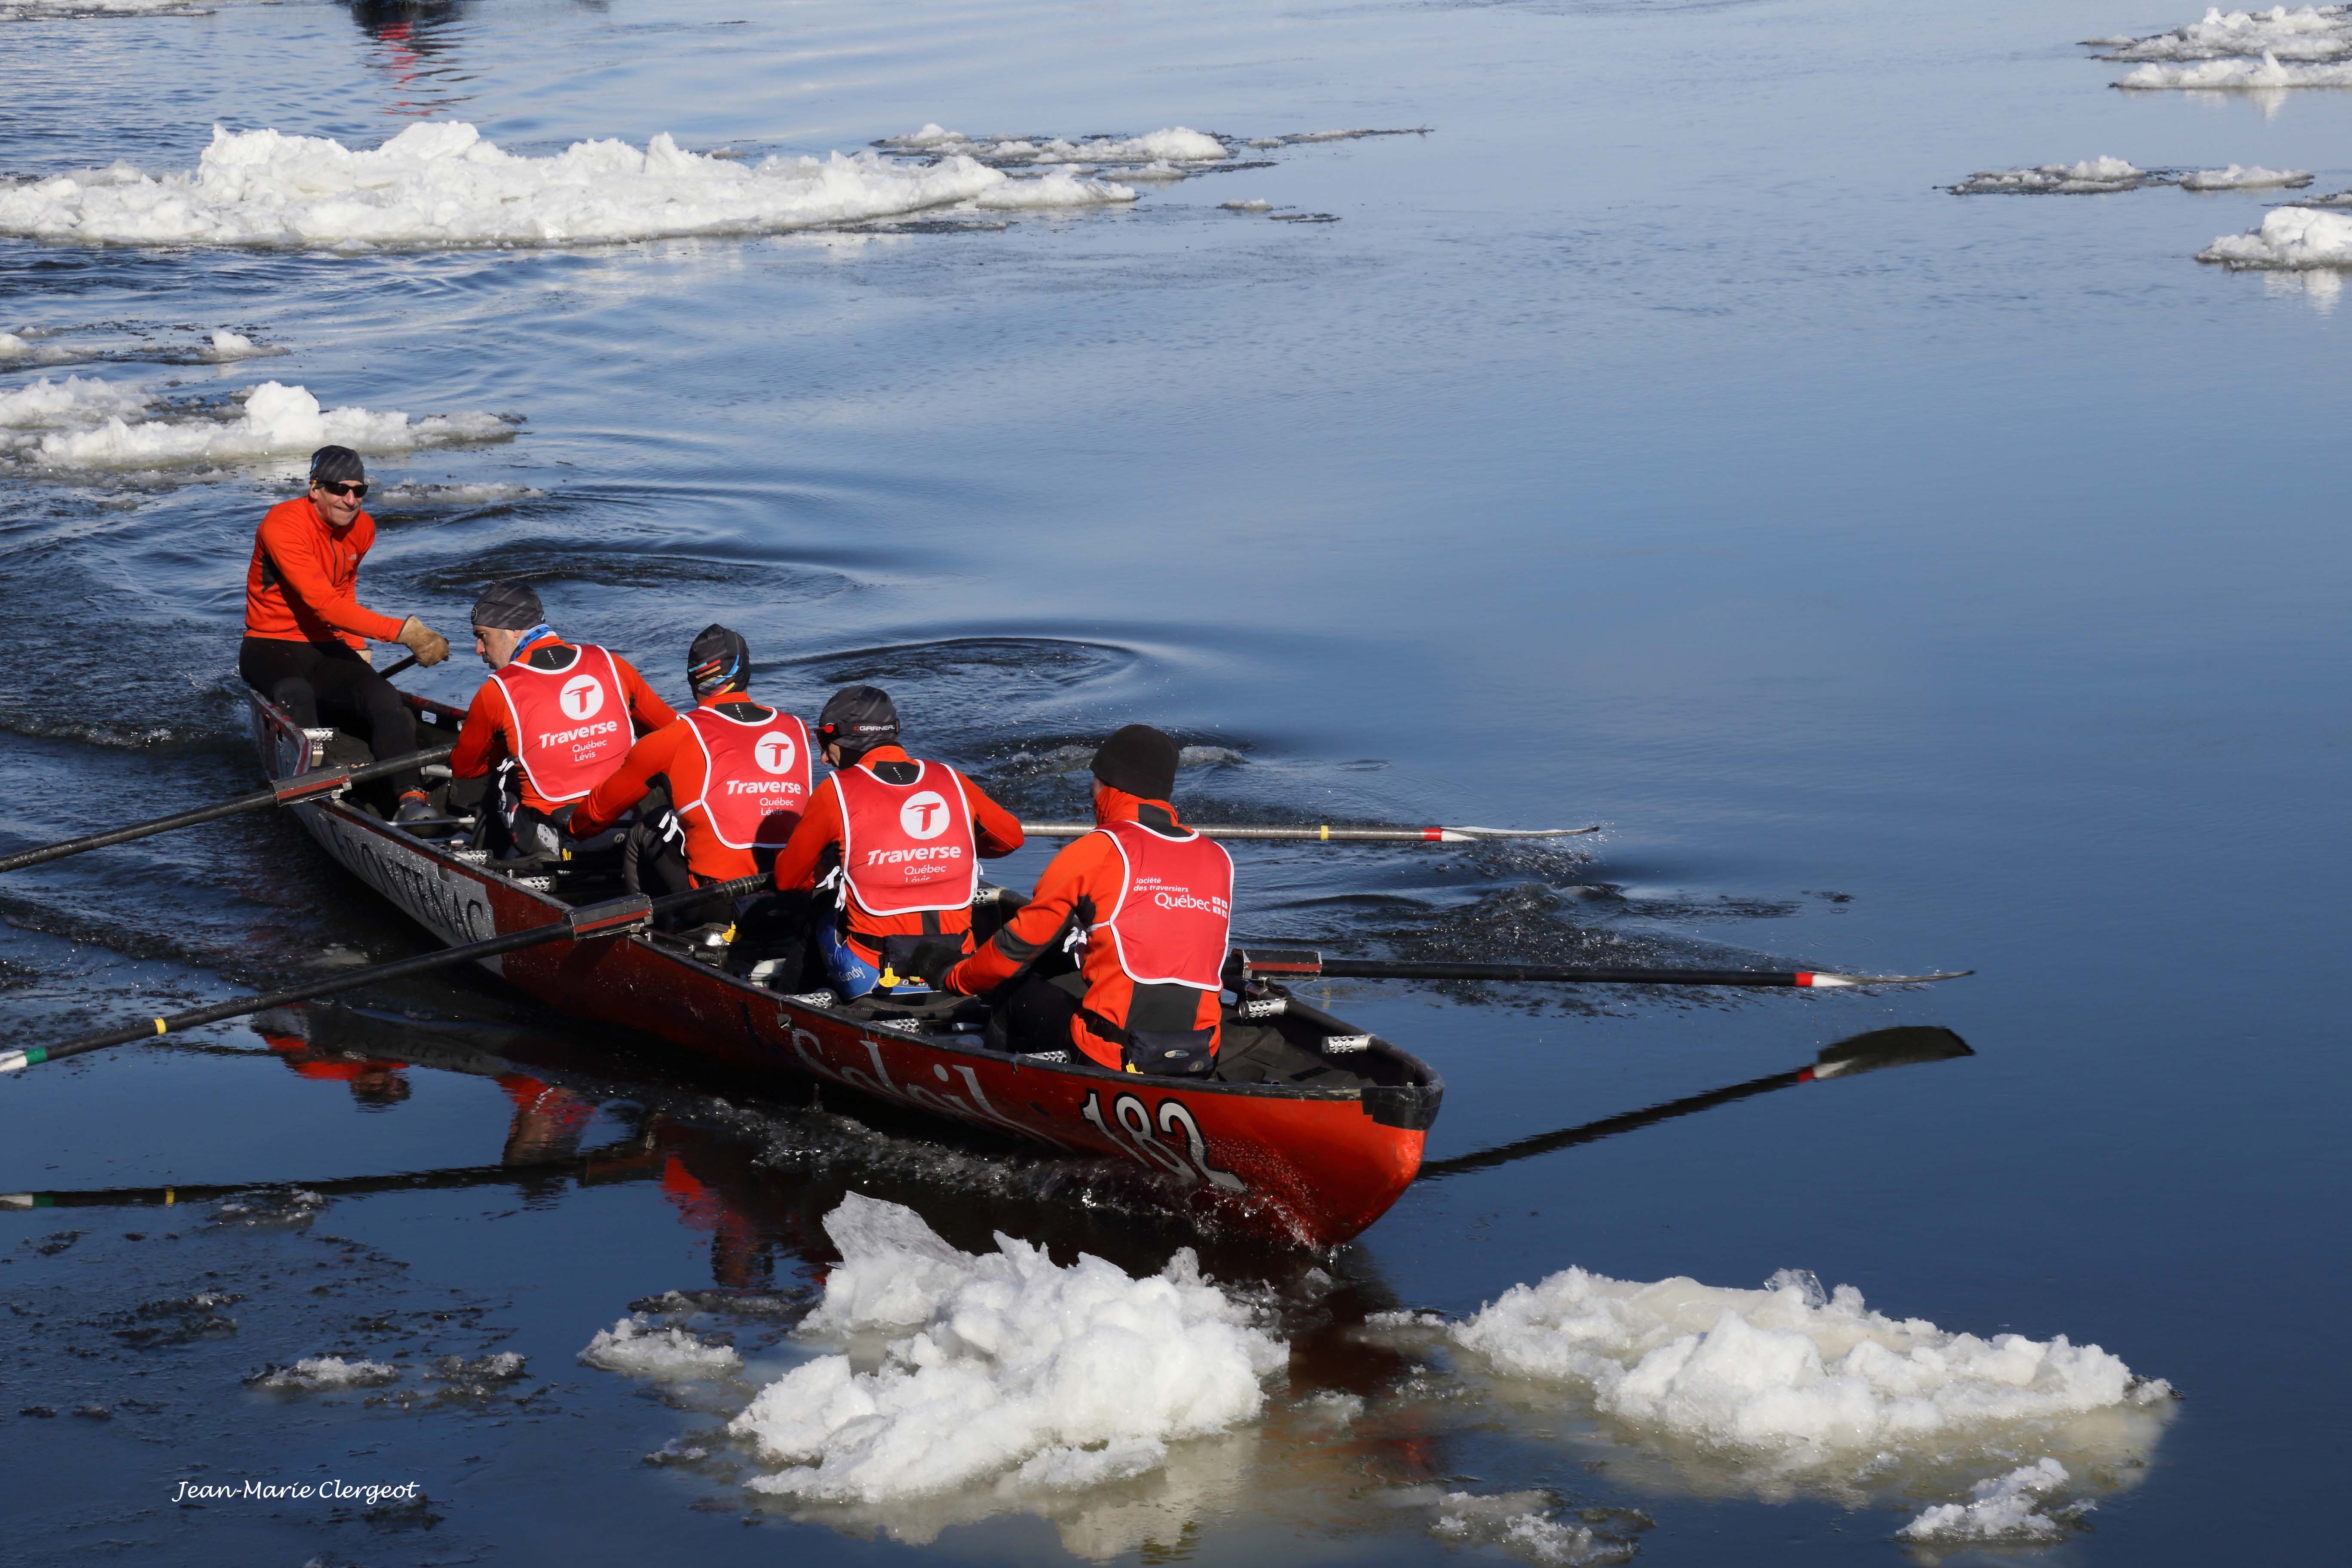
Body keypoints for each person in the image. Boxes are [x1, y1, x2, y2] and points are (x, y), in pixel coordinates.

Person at [938, 725, 1230, 1077]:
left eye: (1094, 781)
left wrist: (954, 977)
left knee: (1011, 986)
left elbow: (1016, 948)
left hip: (1112, 1057)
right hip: (1200, 1053)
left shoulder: (1096, 848)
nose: (1091, 794)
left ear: (1110, 786)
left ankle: (993, 1081)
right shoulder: (1218, 858)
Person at [765, 685, 1023, 998]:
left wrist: (831, 866)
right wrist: (946, 849)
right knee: (977, 903)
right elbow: (1010, 839)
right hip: (957, 965)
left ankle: (787, 1009)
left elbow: (788, 880)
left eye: (823, 741)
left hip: (874, 975)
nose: (823, 758)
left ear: (847, 738)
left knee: (821, 907)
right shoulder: (951, 778)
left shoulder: (835, 791)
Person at [237, 445, 450, 824]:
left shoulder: (363, 528)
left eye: (359, 490)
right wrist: (405, 633)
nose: (350, 500)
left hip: (325, 647)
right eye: (339, 489)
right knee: (296, 694)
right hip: (269, 645)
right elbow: (325, 605)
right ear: (314, 488)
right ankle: (319, 790)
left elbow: (343, 591)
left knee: (383, 697)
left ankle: (411, 798)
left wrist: (356, 647)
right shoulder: (282, 524)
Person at [568, 624, 812, 893]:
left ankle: (644, 918)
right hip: (789, 890)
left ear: (692, 678)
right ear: (745, 672)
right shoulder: (797, 729)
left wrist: (570, 827)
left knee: (651, 824)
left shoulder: (672, 738)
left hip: (718, 900)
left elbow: (594, 817)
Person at [446, 581, 677, 859]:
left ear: (514, 630)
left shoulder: (499, 690)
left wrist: (510, 748)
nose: (479, 649)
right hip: (623, 825)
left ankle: (485, 860)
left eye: (483, 636)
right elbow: (675, 733)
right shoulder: (610, 663)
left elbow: (465, 769)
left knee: (505, 771)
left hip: (560, 839)